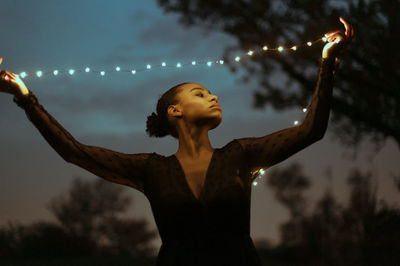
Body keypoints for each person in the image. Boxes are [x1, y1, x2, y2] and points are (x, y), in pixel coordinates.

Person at [0, 17, 353, 266]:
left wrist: (327, 62)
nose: (214, 97)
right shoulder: (152, 170)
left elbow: (311, 130)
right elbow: (73, 152)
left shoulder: (240, 155)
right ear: (175, 111)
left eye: (213, 93)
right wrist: (24, 95)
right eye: (200, 93)